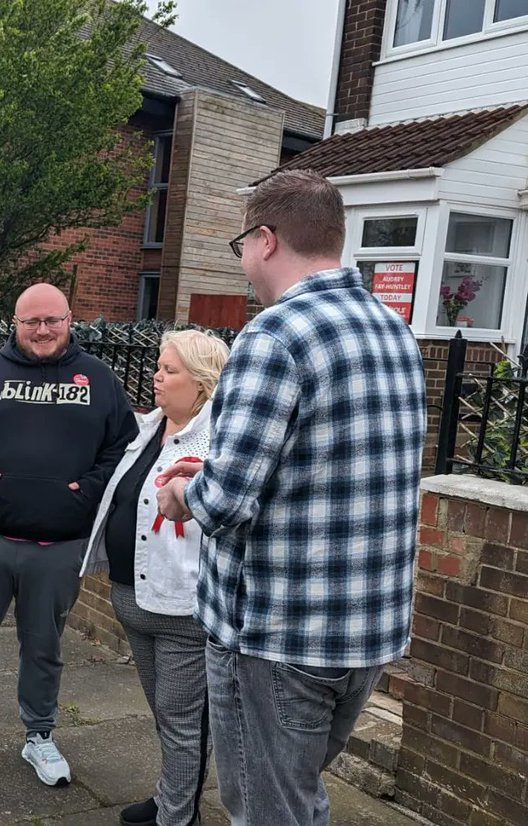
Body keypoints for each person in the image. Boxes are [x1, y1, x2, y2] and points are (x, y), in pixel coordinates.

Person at [156, 170, 426, 826]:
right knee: (298, 796)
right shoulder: (394, 334)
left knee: (264, 808)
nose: (244, 263)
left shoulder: (275, 336)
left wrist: (180, 492)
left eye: (242, 245)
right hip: (364, 634)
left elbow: (223, 506)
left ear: (266, 240)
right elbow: (329, 471)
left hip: (277, 638)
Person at [0, 283, 137, 786]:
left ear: (70, 320)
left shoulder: (101, 380)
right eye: (30, 321)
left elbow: (122, 451)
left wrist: (84, 491)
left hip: (59, 546)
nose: (42, 330)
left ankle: (39, 735)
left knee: (43, 646)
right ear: (13, 324)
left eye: (52, 320)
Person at [80, 330, 229, 826]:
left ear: (203, 383)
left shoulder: (216, 445)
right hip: (133, 596)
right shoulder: (150, 427)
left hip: (181, 608)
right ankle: (172, 796)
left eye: (170, 371)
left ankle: (178, 815)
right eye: (158, 367)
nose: (157, 377)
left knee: (184, 719)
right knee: (165, 714)